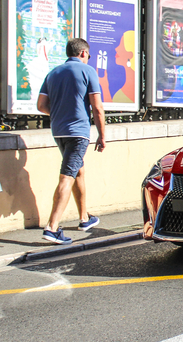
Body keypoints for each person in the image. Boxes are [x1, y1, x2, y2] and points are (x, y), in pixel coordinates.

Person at [37, 38, 106, 245]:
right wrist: (102, 136)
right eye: (89, 55)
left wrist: (60, 114)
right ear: (84, 53)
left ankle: (84, 218)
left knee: (78, 170)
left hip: (59, 131)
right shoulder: (88, 71)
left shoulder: (54, 73)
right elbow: (97, 108)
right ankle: (52, 227)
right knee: (67, 176)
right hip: (78, 132)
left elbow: (41, 105)